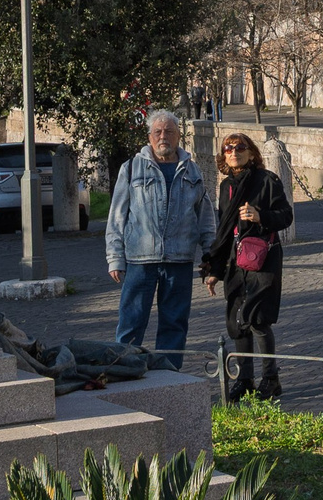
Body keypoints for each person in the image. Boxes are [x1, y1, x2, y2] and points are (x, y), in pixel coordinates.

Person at [104, 110, 211, 370]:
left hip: (179, 259)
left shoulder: (192, 169)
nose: (164, 136)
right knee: (131, 321)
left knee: (175, 323)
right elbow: (117, 215)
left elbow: (206, 216)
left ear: (178, 136)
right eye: (158, 132)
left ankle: (169, 374)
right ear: (150, 136)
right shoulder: (131, 168)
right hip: (140, 259)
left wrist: (210, 255)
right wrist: (114, 257)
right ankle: (124, 370)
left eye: (169, 132)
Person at [202, 131, 293, 402]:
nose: (233, 152)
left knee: (257, 319)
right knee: (237, 322)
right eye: (228, 149)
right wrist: (214, 270)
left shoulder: (267, 181)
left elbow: (286, 216)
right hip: (234, 261)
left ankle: (270, 380)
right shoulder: (225, 187)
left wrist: (260, 215)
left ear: (252, 153)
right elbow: (222, 230)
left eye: (240, 147)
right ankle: (244, 381)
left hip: (262, 259)